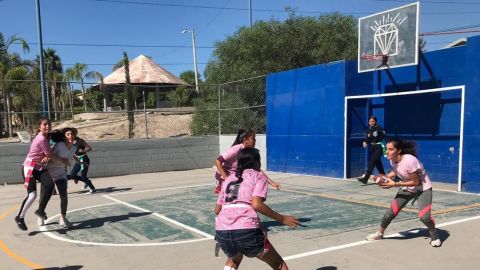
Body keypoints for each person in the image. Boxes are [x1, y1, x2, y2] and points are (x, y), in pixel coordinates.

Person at [214, 148, 299, 270]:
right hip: (246, 230)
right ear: (256, 162)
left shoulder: (228, 179)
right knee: (278, 264)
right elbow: (257, 204)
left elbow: (217, 210)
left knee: (235, 259)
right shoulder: (258, 176)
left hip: (222, 231)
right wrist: (282, 218)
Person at [366, 138, 442, 247]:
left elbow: (416, 182)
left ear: (399, 150)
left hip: (423, 188)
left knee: (424, 217)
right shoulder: (392, 160)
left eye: (390, 149)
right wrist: (385, 177)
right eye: (386, 149)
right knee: (389, 213)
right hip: (407, 187)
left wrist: (394, 184)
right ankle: (380, 233)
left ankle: (434, 234)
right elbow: (397, 171)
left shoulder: (409, 161)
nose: (387, 152)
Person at [14, 117, 66, 231]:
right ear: (39, 127)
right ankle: (20, 217)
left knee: (50, 185)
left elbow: (47, 154)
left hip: (40, 166)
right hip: (30, 167)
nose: (47, 126)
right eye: (45, 124)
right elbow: (51, 156)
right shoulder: (42, 138)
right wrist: (63, 161)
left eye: (49, 124)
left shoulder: (46, 137)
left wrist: (45, 157)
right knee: (32, 195)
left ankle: (40, 210)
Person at [214, 129, 281, 194]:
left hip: (235, 176)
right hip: (223, 176)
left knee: (234, 196)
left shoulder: (249, 153)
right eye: (253, 139)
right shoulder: (236, 149)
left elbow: (258, 170)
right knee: (225, 199)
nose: (255, 141)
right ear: (245, 140)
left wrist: (272, 183)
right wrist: (226, 177)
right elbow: (218, 161)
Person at [42, 129, 78, 228]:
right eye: (68, 134)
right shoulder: (59, 145)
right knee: (44, 195)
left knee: (64, 195)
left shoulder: (74, 148)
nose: (70, 136)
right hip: (49, 172)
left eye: (72, 134)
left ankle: (63, 217)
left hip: (61, 173)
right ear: (64, 137)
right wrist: (62, 160)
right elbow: (50, 156)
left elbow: (71, 156)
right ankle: (41, 214)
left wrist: (76, 161)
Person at [357, 116, 386, 184]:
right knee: (378, 163)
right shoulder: (368, 130)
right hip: (372, 147)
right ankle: (384, 176)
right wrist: (365, 141)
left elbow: (385, 136)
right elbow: (368, 138)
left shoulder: (379, 128)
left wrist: (390, 144)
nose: (371, 123)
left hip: (379, 147)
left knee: (372, 161)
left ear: (375, 121)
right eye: (370, 121)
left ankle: (365, 178)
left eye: (373, 121)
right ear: (368, 122)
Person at [68, 128, 96, 194]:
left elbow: (89, 148)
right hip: (78, 160)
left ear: (75, 134)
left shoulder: (80, 141)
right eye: (69, 134)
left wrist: (83, 150)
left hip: (84, 159)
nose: (71, 135)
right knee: (72, 175)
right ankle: (87, 181)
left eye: (72, 134)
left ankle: (92, 188)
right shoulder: (69, 142)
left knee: (83, 176)